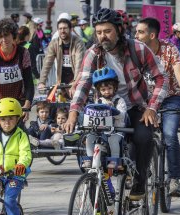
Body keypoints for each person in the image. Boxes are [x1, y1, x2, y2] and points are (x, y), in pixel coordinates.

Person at [64, 8, 169, 201]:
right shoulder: (93, 54)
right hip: (104, 110)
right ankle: (97, 187)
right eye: (99, 32)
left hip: (135, 107)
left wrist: (152, 107)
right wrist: (73, 112)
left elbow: (162, 77)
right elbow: (84, 84)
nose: (103, 36)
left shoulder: (138, 48)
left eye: (107, 31)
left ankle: (139, 180)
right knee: (86, 144)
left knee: (143, 137)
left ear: (119, 30)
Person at [135, 17, 180, 197]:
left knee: (169, 135)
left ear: (152, 35)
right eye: (136, 32)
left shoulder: (170, 50)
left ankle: (174, 178)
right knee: (137, 134)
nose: (136, 36)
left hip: (171, 98)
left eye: (140, 32)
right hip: (146, 100)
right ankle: (138, 171)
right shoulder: (135, 51)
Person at [84, 67, 127, 169]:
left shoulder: (119, 101)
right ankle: (90, 159)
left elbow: (122, 114)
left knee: (113, 140)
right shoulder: (99, 101)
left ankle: (115, 160)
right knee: (89, 137)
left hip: (116, 130)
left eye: (109, 88)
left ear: (115, 88)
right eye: (103, 90)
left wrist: (112, 110)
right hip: (101, 130)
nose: (107, 91)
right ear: (99, 90)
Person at [38, 17, 85, 98]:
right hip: (61, 78)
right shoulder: (54, 43)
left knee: (76, 101)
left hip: (76, 77)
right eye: (60, 28)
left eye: (65, 28)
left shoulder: (78, 42)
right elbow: (47, 63)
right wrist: (42, 82)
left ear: (71, 29)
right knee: (54, 103)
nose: (62, 31)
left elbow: (79, 64)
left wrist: (75, 83)